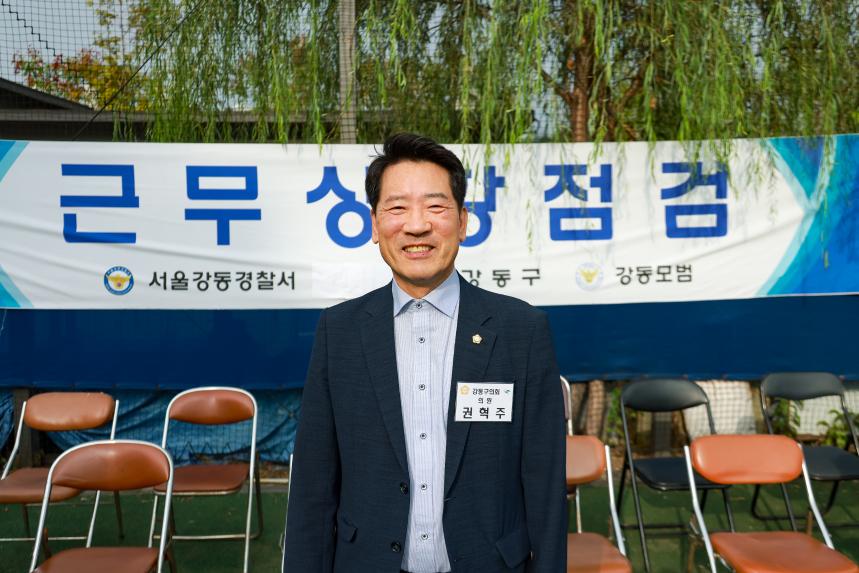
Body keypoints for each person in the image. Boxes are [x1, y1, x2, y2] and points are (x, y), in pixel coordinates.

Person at [283, 133, 566, 573]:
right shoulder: (339, 332)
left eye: (435, 207)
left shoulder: (521, 330)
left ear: (463, 222)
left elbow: (545, 481)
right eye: (397, 208)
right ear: (374, 225)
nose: (416, 226)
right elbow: (313, 484)